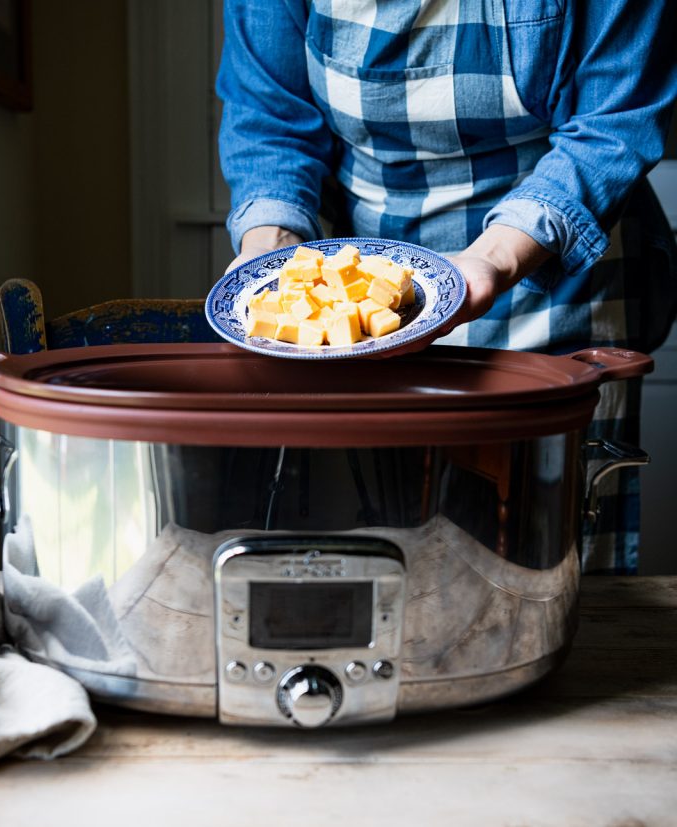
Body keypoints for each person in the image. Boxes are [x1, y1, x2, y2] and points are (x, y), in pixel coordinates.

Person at [216, 0, 677, 574]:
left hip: (556, 278)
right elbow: (270, 118)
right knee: (396, 554)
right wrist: (269, 250)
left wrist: (493, 259)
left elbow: (614, 121)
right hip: (366, 295)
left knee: (547, 560)